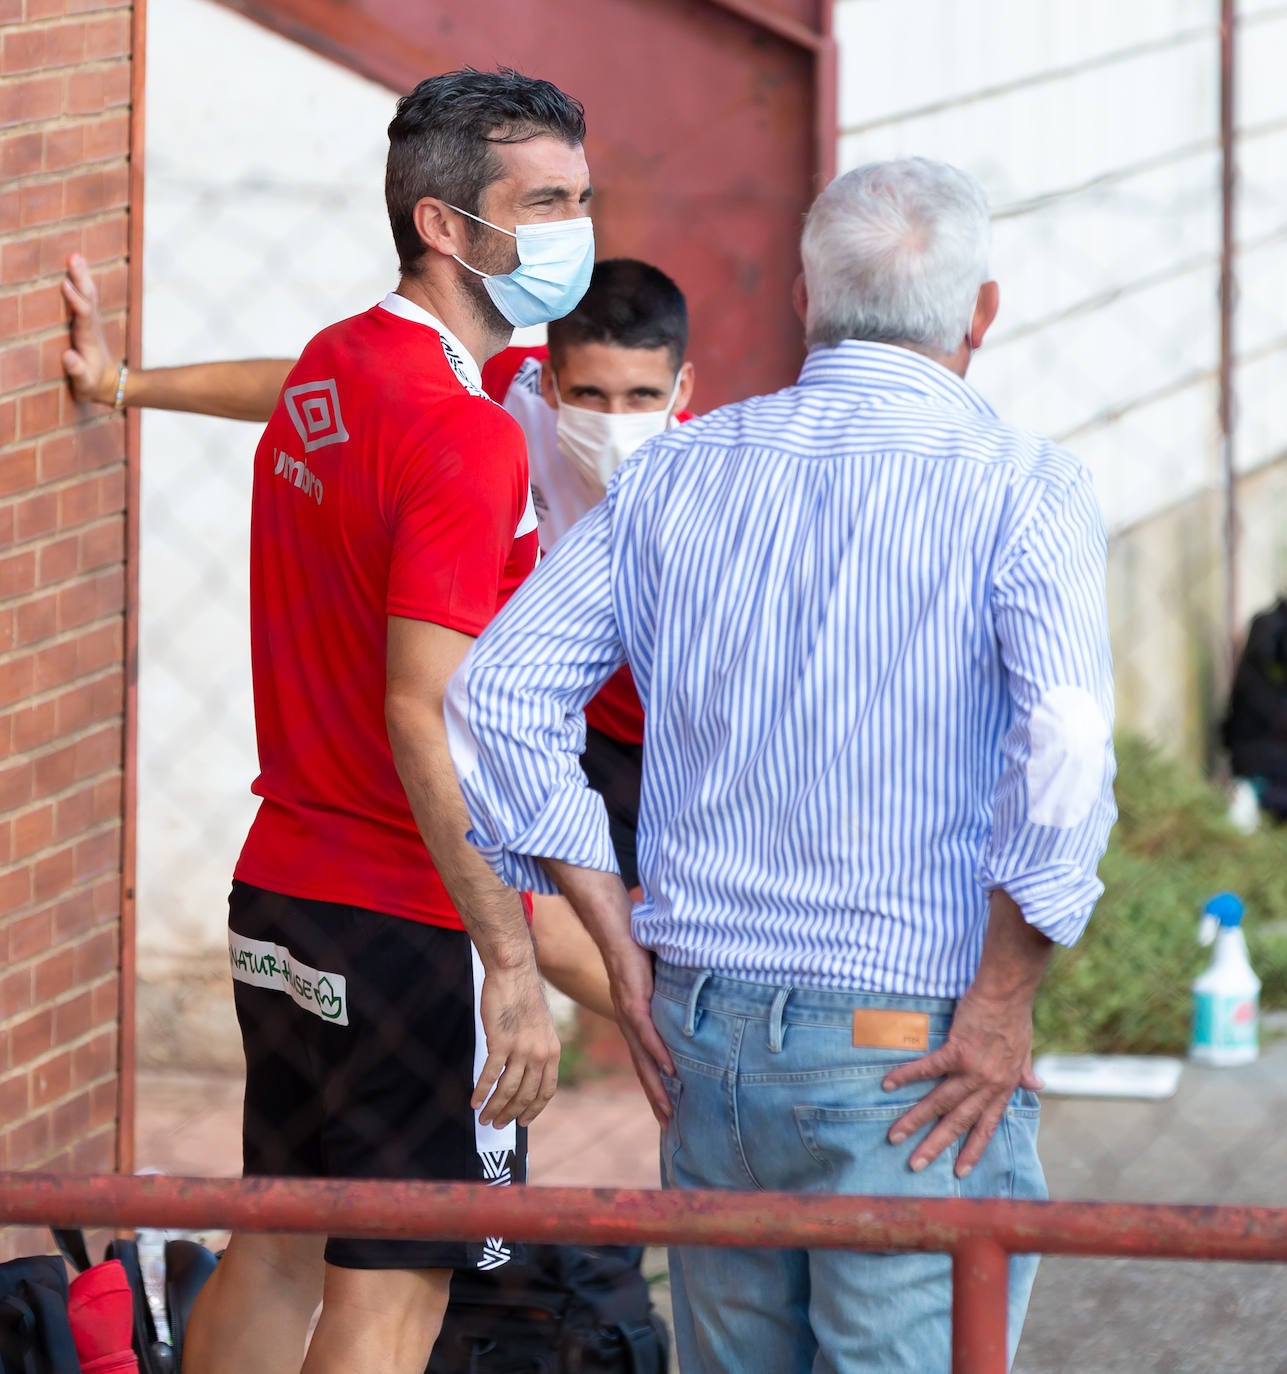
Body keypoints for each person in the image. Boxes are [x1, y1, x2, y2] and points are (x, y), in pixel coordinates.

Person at [446, 157, 1118, 1372]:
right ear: (982, 312)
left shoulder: (675, 475)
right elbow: (1066, 743)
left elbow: (496, 694)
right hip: (910, 1045)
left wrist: (613, 931)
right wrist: (1007, 997)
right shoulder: (1026, 487)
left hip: (707, 1040)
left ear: (809, 300)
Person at [124, 67, 589, 1374]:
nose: (573, 226)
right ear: (446, 225)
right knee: (394, 1280)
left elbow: (277, 386)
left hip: (279, 894)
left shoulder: (346, 362)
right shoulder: (462, 434)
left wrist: (123, 384)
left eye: (579, 196)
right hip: (400, 915)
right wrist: (505, 957)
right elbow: (419, 703)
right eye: (545, 200)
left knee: (275, 1242)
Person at [61, 255, 695, 1015]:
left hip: (661, 736)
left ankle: (710, 1054)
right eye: (590, 395)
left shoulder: (713, 489)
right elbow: (308, 391)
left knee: (681, 938)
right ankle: (682, 1057)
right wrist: (119, 384)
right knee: (548, 931)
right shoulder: (504, 396)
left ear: (679, 393)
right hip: (538, 716)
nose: (615, 421)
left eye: (642, 398)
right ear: (551, 381)